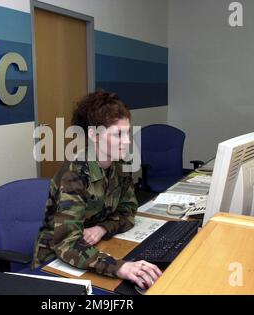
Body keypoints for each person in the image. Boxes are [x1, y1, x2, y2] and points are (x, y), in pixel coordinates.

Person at [32, 90, 162, 290]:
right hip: (56, 260)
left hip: (95, 248)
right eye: (118, 134)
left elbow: (128, 211)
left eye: (127, 133)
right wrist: (119, 268)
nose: (127, 141)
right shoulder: (74, 174)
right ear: (94, 135)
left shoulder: (121, 165)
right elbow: (67, 243)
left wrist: (102, 228)